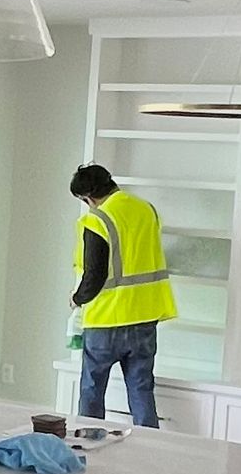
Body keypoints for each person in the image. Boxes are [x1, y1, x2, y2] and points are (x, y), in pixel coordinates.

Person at [69, 161, 176, 429]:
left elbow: (95, 274)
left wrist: (77, 298)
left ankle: (89, 448)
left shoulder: (97, 219)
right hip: (145, 317)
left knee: (92, 393)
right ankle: (148, 450)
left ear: (88, 197)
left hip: (106, 321)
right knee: (141, 391)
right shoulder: (146, 210)